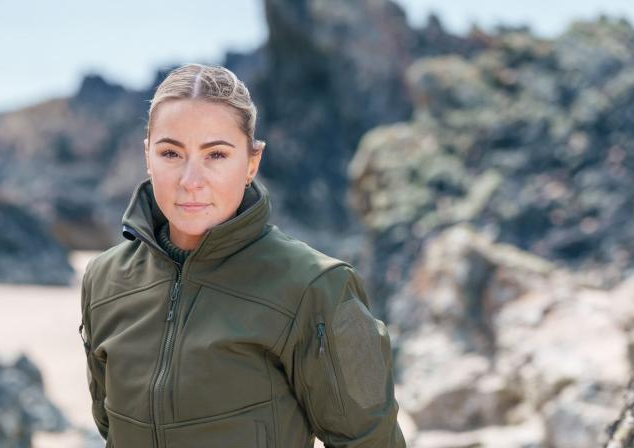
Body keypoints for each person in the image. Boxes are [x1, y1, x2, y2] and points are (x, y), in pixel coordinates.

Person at [79, 63, 406, 447]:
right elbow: (110, 427)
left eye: (216, 155)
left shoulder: (317, 287)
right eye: (171, 153)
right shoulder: (104, 279)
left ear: (252, 163)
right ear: (147, 156)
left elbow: (372, 442)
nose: (191, 181)